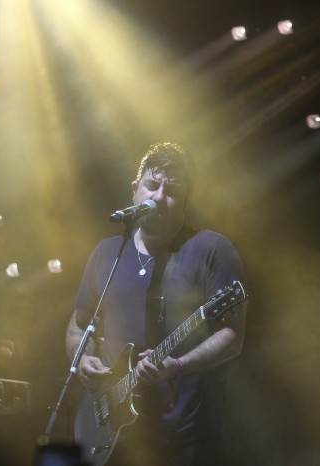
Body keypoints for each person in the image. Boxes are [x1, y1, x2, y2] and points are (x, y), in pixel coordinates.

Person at [65, 142, 247, 465]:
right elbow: (79, 327)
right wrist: (82, 360)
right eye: (152, 185)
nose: (159, 197)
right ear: (135, 190)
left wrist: (178, 366)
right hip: (117, 433)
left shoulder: (212, 249)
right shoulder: (107, 252)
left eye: (172, 191)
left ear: (187, 200)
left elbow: (232, 336)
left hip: (185, 437)